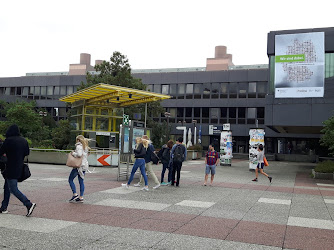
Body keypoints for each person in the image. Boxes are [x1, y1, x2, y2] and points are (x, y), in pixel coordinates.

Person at [0, 124, 36, 216]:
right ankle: (4, 207)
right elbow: (27, 152)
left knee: (13, 189)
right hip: (19, 166)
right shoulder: (23, 140)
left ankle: (28, 204)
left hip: (10, 167)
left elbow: (1, 151)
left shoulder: (8, 141)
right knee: (7, 188)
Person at [68, 135, 90, 203]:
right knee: (81, 181)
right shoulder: (85, 147)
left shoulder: (79, 146)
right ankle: (81, 197)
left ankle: (75, 194)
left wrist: (73, 153)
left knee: (70, 179)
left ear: (78, 140)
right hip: (84, 166)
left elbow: (79, 154)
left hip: (78, 166)